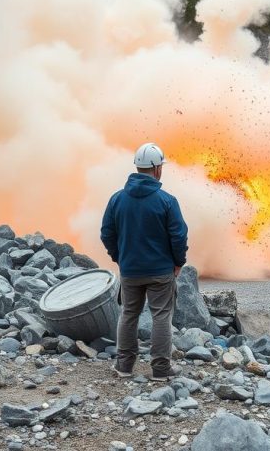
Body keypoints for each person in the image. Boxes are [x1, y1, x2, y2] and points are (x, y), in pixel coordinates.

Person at [101, 142, 188, 381]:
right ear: (157, 168)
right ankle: (161, 369)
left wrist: (119, 257)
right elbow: (178, 236)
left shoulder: (117, 199)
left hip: (130, 270)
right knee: (161, 316)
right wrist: (178, 261)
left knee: (129, 314)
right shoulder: (167, 201)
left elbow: (107, 233)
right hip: (160, 271)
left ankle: (124, 366)